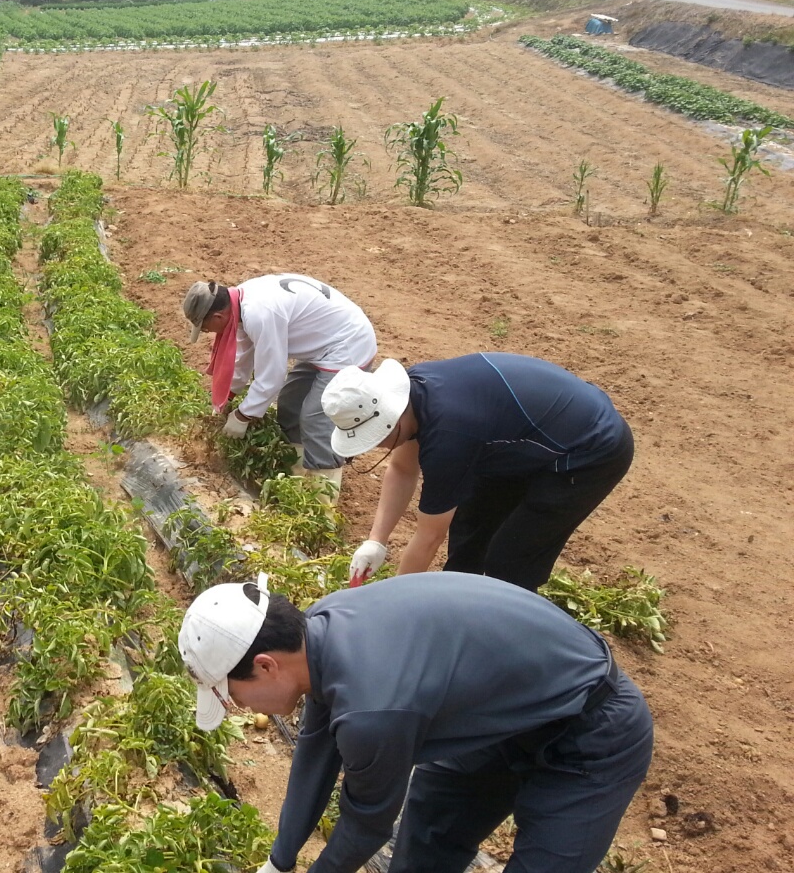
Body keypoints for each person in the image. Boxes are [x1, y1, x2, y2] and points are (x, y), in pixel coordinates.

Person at [179, 571, 654, 873]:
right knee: (429, 834)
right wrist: (280, 860)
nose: (240, 707)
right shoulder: (320, 628)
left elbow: (367, 823)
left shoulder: (373, 710)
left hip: (593, 732)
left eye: (232, 694)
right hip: (506, 717)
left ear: (265, 666)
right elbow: (316, 746)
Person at [321, 353, 634, 590]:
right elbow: (403, 468)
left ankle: (506, 629)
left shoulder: (449, 438)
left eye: (377, 438)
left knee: (509, 558)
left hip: (590, 448)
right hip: (518, 437)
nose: (376, 447)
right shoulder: (413, 397)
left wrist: (393, 601)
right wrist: (376, 540)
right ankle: (462, 606)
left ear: (391, 419)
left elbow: (429, 537)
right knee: (470, 529)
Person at [183, 276, 376, 492]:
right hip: (324, 345)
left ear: (218, 316)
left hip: (348, 345)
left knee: (315, 418)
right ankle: (298, 474)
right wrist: (225, 401)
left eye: (206, 328)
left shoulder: (259, 313)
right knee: (290, 404)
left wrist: (243, 415)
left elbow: (271, 376)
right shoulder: (241, 302)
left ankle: (321, 498)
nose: (209, 333)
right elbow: (243, 358)